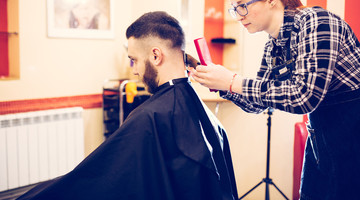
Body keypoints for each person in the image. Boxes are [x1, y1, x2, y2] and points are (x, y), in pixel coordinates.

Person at [17, 11, 238, 200]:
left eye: (134, 60)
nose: (133, 69)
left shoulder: (149, 117)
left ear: (155, 55)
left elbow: (97, 178)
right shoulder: (204, 115)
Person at [190, 0, 360, 200]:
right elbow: (257, 104)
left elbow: (304, 97)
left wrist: (233, 82)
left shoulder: (317, 22)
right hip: (322, 138)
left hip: (352, 135)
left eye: (243, 6)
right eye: (234, 9)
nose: (239, 16)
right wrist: (222, 84)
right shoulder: (274, 44)